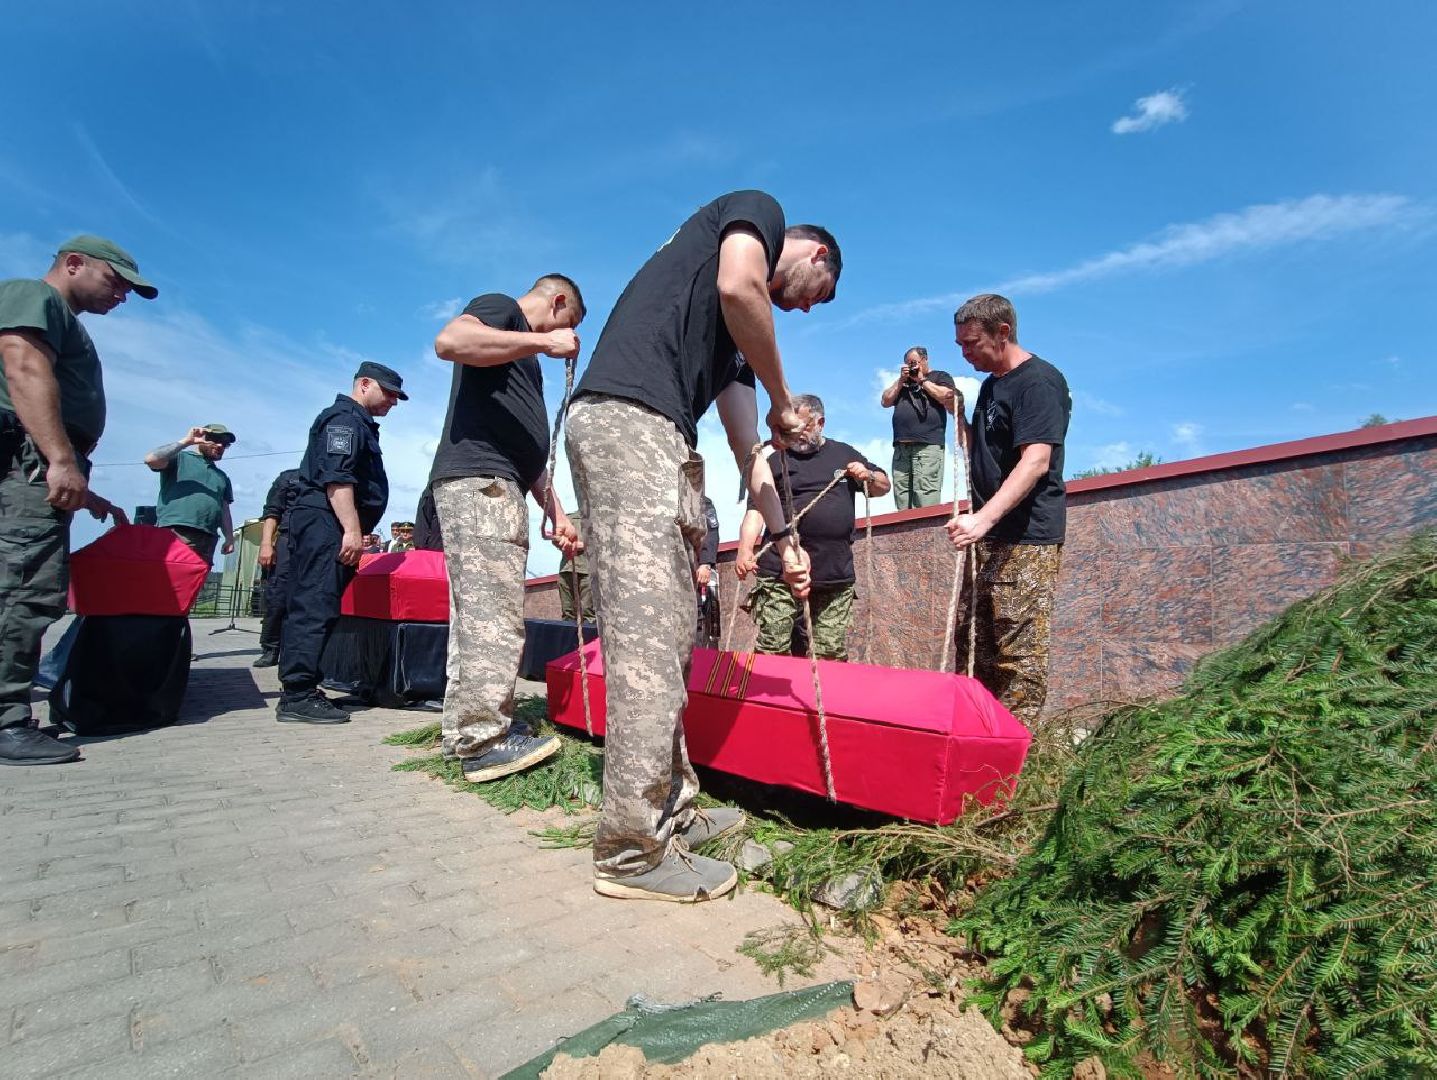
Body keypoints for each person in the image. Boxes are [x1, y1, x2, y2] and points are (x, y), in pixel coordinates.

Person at [567, 190, 841, 902]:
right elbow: (739, 283)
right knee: (648, 641)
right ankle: (629, 852)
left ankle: (671, 810)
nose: (807, 309)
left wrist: (785, 538)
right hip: (631, 426)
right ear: (814, 254)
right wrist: (786, 393)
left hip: (659, 439)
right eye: (822, 293)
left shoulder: (727, 345)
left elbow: (749, 449)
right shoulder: (755, 211)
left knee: (672, 634)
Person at [0, 235, 152, 765]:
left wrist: (82, 486)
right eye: (115, 282)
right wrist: (60, 461)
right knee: (24, 591)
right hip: (31, 461)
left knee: (29, 589)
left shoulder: (64, 320)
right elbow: (23, 367)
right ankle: (7, 720)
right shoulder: (33, 297)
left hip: (42, 464)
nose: (122, 297)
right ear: (72, 264)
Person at [429, 275, 585, 780]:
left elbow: (528, 447)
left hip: (502, 482)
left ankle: (462, 731)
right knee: (494, 616)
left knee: (476, 615)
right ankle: (484, 740)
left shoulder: (520, 359)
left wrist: (556, 512)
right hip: (482, 483)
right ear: (557, 302)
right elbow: (450, 342)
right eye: (571, 322)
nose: (567, 336)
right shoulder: (503, 311)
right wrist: (545, 340)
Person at [945, 294, 1070, 724]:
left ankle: (1013, 772)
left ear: (1003, 333)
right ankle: (976, 746)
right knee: (976, 650)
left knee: (1019, 659)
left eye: (971, 343)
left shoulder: (1040, 382)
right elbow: (980, 451)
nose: (964, 353)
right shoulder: (991, 386)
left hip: (1025, 538)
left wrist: (983, 519)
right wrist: (957, 415)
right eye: (959, 344)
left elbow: (1035, 461)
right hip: (989, 536)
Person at [277, 361, 406, 724]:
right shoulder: (344, 420)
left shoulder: (357, 422)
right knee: (314, 604)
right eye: (389, 393)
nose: (394, 402)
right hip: (325, 524)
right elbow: (338, 479)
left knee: (323, 604)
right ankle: (297, 694)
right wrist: (351, 529)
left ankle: (303, 686)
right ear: (365, 384)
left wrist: (356, 526)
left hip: (332, 524)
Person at [735, 395, 889, 660]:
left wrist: (868, 475)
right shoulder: (774, 461)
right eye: (790, 429)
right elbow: (756, 510)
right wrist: (745, 549)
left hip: (833, 574)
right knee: (772, 646)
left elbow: (883, 487)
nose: (796, 435)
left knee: (829, 653)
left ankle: (825, 701)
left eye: (803, 427)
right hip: (779, 572)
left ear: (820, 422)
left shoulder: (844, 454)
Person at [144, 424, 236, 566]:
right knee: (166, 581)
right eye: (215, 439)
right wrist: (186, 441)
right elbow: (151, 460)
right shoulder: (180, 459)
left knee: (194, 583)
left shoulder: (222, 477)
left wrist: (229, 538)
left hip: (207, 537)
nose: (220, 445)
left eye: (225, 444)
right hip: (176, 532)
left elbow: (225, 510)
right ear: (202, 438)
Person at [880, 346, 959, 509]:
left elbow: (947, 396)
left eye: (914, 363)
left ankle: (925, 534)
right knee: (902, 498)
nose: (911, 367)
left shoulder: (939, 376)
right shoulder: (903, 383)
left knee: (925, 498)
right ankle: (904, 534)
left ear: (925, 360)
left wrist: (922, 380)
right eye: (908, 364)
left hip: (927, 447)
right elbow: (885, 401)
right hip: (902, 449)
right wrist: (901, 380)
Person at [254, 466, 301, 668]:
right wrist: (266, 544)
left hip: (319, 542)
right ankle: (271, 647)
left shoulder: (330, 477)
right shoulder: (288, 477)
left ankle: (298, 651)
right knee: (278, 596)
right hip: (288, 539)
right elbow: (272, 513)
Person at [557, 521, 595, 623]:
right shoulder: (567, 519)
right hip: (566, 569)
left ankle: (590, 637)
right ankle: (569, 637)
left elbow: (602, 541)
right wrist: (560, 541)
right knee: (567, 611)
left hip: (587, 571)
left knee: (588, 611)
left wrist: (582, 545)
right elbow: (556, 540)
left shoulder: (595, 519)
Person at [695, 496, 720, 648]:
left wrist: (705, 563)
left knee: (695, 618)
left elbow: (711, 532)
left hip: (694, 570)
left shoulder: (702, 502)